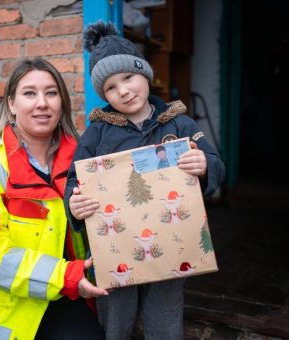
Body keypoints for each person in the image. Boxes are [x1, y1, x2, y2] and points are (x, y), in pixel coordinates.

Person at [64, 22, 225, 339]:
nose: (123, 90)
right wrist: (75, 201)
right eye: (110, 87)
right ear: (104, 95)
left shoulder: (179, 122)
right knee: (115, 317)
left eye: (128, 77)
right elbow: (75, 178)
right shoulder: (97, 132)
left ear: (145, 74)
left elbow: (217, 165)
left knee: (165, 314)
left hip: (171, 243)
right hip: (117, 246)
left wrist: (204, 164)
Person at [0, 58, 107, 340]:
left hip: (61, 295)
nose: (42, 103)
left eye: (51, 93)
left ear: (62, 103)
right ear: (11, 105)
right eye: (30, 93)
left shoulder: (84, 163)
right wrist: (67, 277)